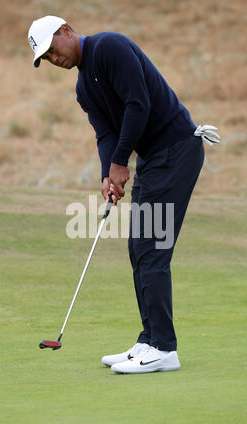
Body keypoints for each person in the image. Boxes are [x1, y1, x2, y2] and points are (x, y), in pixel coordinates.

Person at [28, 15, 220, 374]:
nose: (55, 59)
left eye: (53, 50)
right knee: (139, 246)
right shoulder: (84, 88)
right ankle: (150, 339)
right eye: (48, 59)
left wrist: (120, 162)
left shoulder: (109, 47)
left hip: (177, 150)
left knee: (151, 246)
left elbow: (138, 104)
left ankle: (164, 348)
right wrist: (108, 173)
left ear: (66, 31)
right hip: (154, 157)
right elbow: (105, 133)